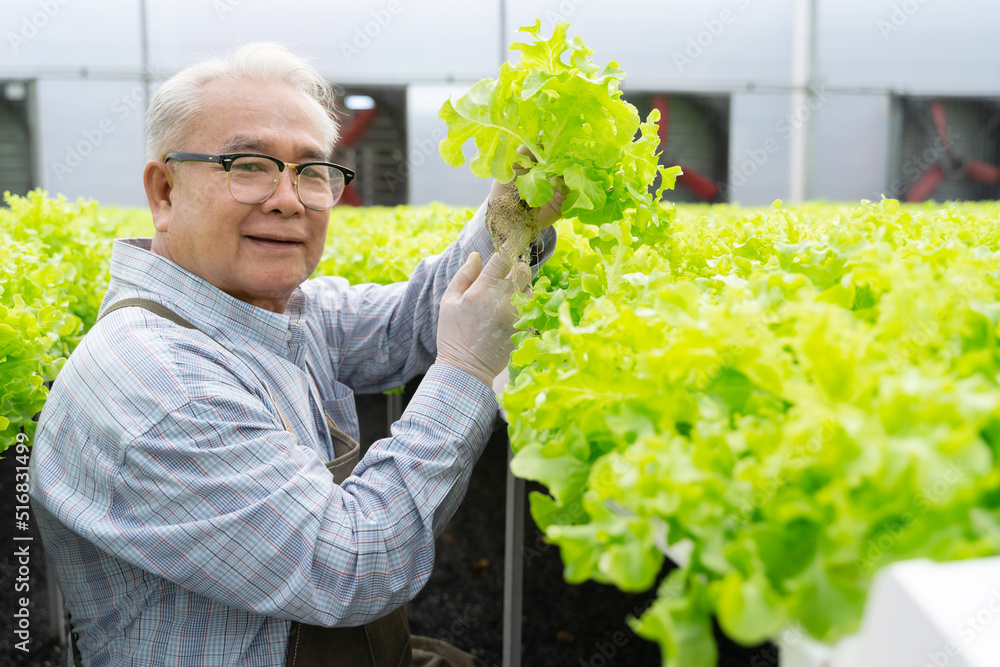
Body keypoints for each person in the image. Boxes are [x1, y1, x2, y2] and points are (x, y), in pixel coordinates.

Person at [29, 42, 561, 667]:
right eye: (248, 165)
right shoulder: (162, 384)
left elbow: (402, 324)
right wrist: (467, 369)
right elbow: (354, 564)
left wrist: (514, 214)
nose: (289, 198)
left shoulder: (268, 309)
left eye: (312, 171)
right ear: (165, 190)